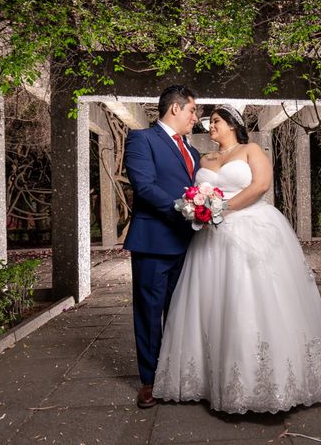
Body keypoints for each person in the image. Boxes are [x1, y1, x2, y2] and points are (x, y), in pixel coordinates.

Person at [153, 104, 321, 414]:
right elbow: (193, 190)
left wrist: (222, 209)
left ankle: (267, 377)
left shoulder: (251, 149)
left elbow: (261, 185)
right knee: (212, 302)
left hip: (251, 226)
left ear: (231, 124)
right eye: (208, 122)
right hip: (210, 236)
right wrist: (197, 206)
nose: (210, 126)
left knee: (252, 296)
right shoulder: (204, 159)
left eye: (215, 121)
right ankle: (210, 376)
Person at [123, 85, 200, 409]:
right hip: (154, 242)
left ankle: (177, 374)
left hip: (189, 246)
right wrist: (185, 210)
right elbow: (144, 186)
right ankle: (150, 380)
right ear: (175, 109)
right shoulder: (142, 139)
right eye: (192, 110)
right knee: (149, 313)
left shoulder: (193, 152)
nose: (196, 118)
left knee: (181, 314)